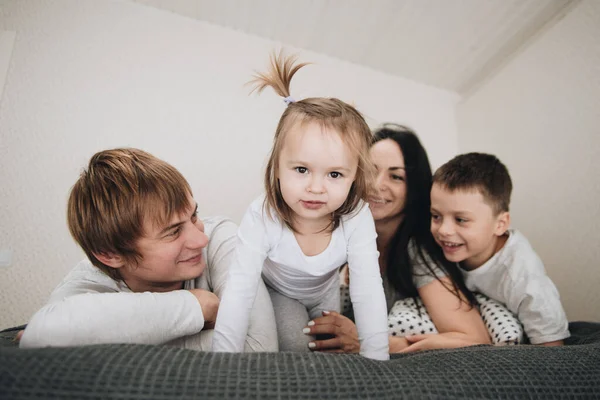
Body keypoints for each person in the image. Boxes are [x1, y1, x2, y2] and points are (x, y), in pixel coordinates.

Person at [211, 52, 389, 360]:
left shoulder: (357, 216)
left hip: (326, 294)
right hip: (276, 292)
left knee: (332, 349)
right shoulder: (263, 214)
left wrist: (378, 361)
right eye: (301, 170)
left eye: (334, 174)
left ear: (353, 178)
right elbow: (240, 289)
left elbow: (368, 288)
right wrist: (222, 361)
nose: (316, 188)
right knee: (298, 342)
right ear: (277, 166)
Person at [19, 148, 278, 351]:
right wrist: (198, 306)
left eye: (194, 215)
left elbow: (258, 349)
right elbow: (43, 334)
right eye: (173, 232)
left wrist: (113, 342)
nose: (200, 240)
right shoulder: (91, 280)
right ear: (110, 254)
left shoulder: (221, 236)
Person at [304, 124, 492, 353]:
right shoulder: (346, 237)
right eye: (371, 171)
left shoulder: (416, 250)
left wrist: (366, 341)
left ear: (414, 187)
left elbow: (475, 339)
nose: (376, 184)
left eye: (396, 176)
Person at [430, 152, 570, 346]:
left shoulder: (523, 276)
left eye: (460, 220)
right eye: (436, 216)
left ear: (500, 224)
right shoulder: (439, 248)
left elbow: (552, 346)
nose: (443, 230)